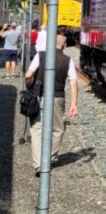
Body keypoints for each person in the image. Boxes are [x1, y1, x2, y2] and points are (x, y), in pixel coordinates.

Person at [24, 34, 78, 176]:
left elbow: (28, 75)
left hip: (38, 96)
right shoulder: (68, 60)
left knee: (36, 130)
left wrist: (30, 88)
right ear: (64, 46)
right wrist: (73, 104)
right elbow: (73, 82)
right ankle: (51, 158)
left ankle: (39, 164)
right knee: (58, 129)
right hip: (57, 98)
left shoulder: (40, 56)